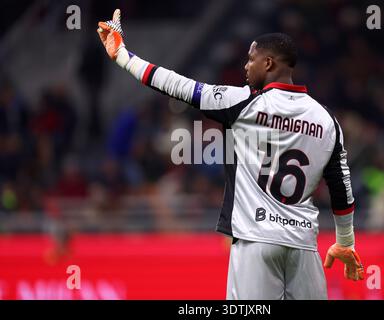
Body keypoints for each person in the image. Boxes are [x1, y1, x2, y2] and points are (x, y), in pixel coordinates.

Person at [97, 9, 364, 300]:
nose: (246, 67)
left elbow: (176, 84)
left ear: (269, 62)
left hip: (254, 240)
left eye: (251, 59)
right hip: (303, 244)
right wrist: (345, 242)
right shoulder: (327, 120)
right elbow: (341, 189)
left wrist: (122, 56)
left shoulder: (243, 102)